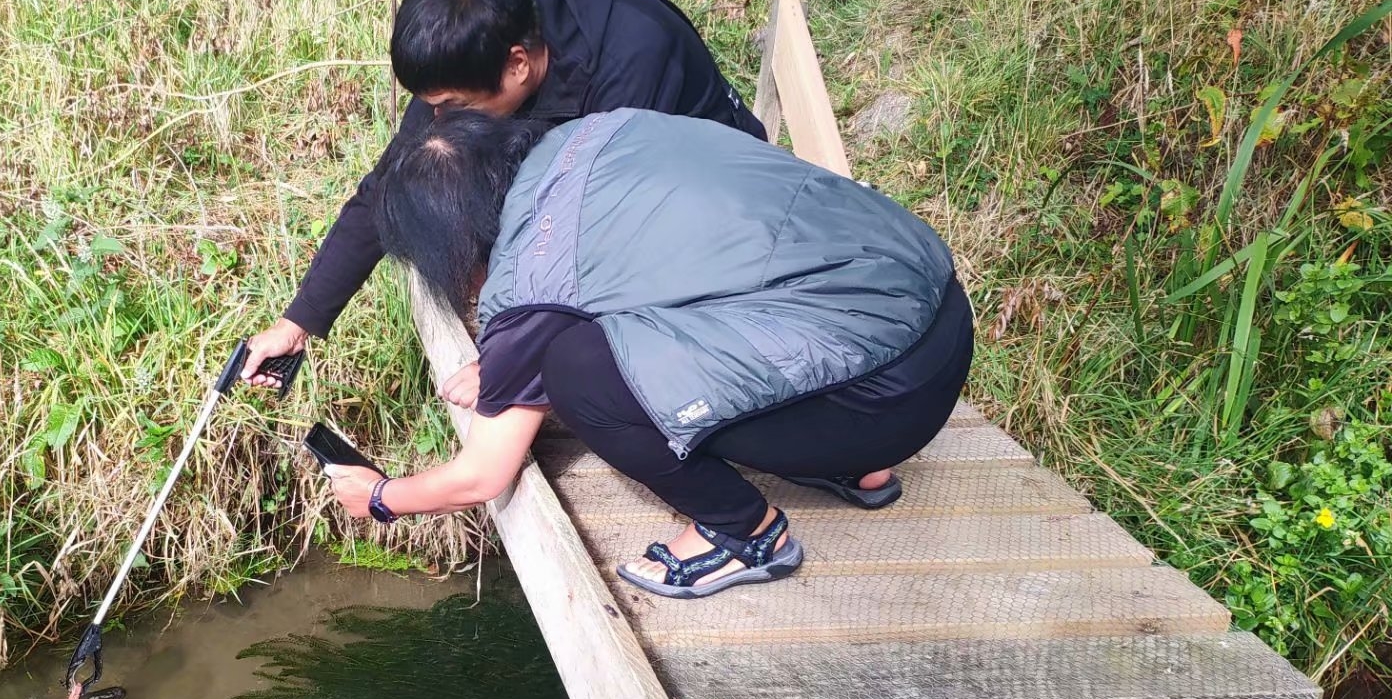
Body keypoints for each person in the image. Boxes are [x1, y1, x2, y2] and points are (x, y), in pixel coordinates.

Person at [322, 108, 974, 598]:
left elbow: (483, 474)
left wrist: (382, 497)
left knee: (579, 374)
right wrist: (509, 362)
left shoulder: (529, 279)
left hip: (882, 400)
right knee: (600, 347)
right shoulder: (594, 135)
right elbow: (649, 270)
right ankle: (856, 469)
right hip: (936, 319)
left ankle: (743, 533)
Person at [240, 0, 765, 388]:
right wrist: (300, 321)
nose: (437, 119)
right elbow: (388, 188)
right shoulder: (467, 56)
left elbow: (605, 235)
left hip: (716, 209)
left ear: (518, 64)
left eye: (450, 106)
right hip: (607, 191)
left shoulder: (634, 55)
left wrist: (507, 364)